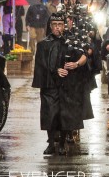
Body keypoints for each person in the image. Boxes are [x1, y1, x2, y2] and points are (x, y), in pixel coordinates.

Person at [32, 12, 87, 156]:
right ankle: (51, 143)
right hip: (50, 86)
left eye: (60, 25)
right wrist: (55, 70)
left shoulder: (70, 43)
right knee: (50, 115)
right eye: (55, 25)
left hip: (67, 86)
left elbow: (84, 55)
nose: (57, 28)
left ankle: (62, 143)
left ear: (64, 26)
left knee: (64, 115)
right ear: (50, 26)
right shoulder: (43, 44)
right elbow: (41, 65)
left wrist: (76, 64)